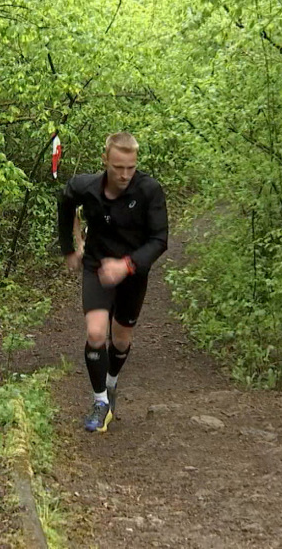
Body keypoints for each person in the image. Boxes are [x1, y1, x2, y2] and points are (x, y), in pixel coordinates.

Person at [57, 132, 168, 432]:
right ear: (105, 159)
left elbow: (160, 240)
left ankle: (112, 382)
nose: (124, 174)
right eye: (118, 167)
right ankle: (100, 401)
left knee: (120, 339)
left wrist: (127, 265)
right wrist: (69, 248)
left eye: (130, 167)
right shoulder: (86, 187)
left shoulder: (149, 191)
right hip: (96, 265)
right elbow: (65, 203)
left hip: (132, 271)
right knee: (95, 333)